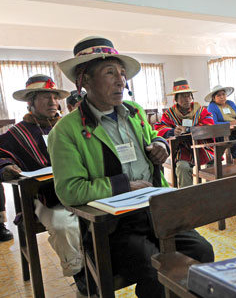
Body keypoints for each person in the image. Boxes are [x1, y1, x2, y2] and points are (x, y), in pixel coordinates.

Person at [50, 36, 214, 298]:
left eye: (122, 74)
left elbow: (153, 137)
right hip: (113, 225)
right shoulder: (66, 131)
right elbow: (70, 191)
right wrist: (124, 185)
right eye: (110, 73)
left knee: (202, 251)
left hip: (156, 210)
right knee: (155, 268)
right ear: (85, 80)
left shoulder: (134, 112)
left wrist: (159, 144)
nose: (120, 81)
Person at [0, 75, 86, 290]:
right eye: (45, 98)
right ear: (30, 102)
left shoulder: (70, 125)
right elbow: (1, 154)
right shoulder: (16, 134)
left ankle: (101, 264)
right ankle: (80, 273)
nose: (52, 103)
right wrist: (5, 166)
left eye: (55, 97)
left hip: (82, 190)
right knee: (62, 225)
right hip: (45, 198)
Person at [154, 78, 215, 187]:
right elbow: (159, 128)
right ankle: (187, 196)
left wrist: (188, 129)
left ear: (192, 97)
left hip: (201, 146)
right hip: (181, 148)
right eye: (182, 96)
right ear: (176, 99)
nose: (186, 99)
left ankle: (209, 190)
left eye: (188, 96)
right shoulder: (169, 113)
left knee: (213, 161)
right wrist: (172, 131)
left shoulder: (200, 110)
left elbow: (209, 123)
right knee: (182, 167)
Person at [206, 85, 236, 165]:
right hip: (223, 133)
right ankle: (235, 168)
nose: (222, 97)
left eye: (223, 94)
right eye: (219, 95)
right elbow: (214, 123)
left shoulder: (230, 103)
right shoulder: (212, 107)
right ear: (213, 98)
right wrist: (229, 124)